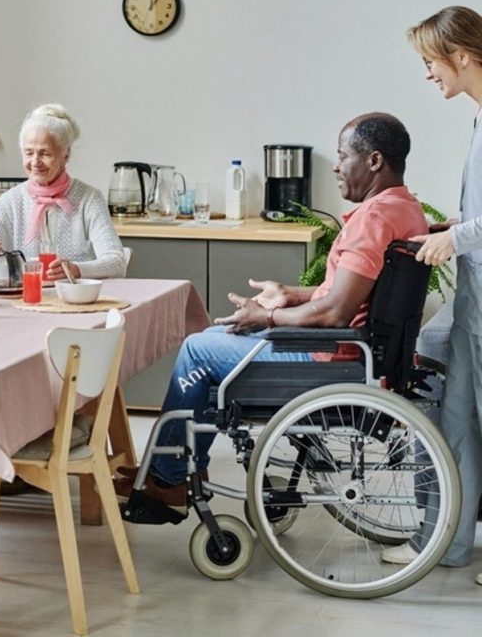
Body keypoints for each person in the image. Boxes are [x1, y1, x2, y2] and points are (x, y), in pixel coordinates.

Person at [114, 113, 427, 516]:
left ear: (374, 160)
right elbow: (352, 292)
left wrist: (267, 318)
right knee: (211, 341)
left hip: (331, 359)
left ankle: (170, 480)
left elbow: (335, 311)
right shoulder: (405, 209)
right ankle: (174, 470)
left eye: (342, 155)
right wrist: (290, 295)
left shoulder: (373, 218)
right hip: (353, 353)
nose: (335, 166)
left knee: (197, 350)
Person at [380, 6, 482, 582]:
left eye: (430, 61)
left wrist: (457, 238)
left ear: (461, 56)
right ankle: (448, 543)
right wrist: (454, 227)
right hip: (473, 301)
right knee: (458, 423)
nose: (427, 73)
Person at [0, 103, 126, 280]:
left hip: (76, 295)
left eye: (45, 153)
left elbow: (117, 262)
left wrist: (76, 269)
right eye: (29, 153)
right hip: (25, 296)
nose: (35, 162)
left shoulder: (89, 199)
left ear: (65, 155)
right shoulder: (10, 201)